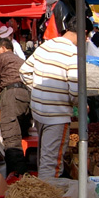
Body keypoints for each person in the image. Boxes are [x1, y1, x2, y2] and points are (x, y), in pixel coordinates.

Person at [19, 16, 80, 179]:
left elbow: (24, 71)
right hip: (57, 116)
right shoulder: (73, 53)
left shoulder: (46, 46)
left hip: (39, 111)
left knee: (44, 154)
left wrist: (39, 91)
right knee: (51, 163)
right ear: (84, 33)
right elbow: (76, 90)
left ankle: (41, 192)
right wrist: (80, 104)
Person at [0, 37, 32, 176]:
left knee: (11, 140)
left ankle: (18, 178)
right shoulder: (20, 60)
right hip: (26, 97)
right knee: (22, 134)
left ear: (2, 48)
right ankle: (26, 171)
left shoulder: (1, 57)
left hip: (11, 96)